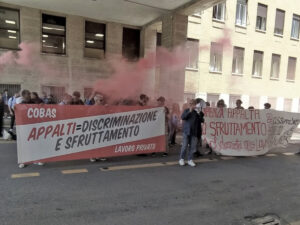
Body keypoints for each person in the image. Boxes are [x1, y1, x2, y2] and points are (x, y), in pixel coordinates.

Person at [179, 99, 201, 167]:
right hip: (186, 131)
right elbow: (183, 117)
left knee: (192, 147)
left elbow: (201, 120)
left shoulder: (197, 112)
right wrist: (189, 111)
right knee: (184, 146)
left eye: (193, 104)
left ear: (195, 104)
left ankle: (190, 160)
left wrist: (199, 113)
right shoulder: (186, 110)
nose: (191, 105)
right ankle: (181, 159)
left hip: (194, 132)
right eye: (190, 103)